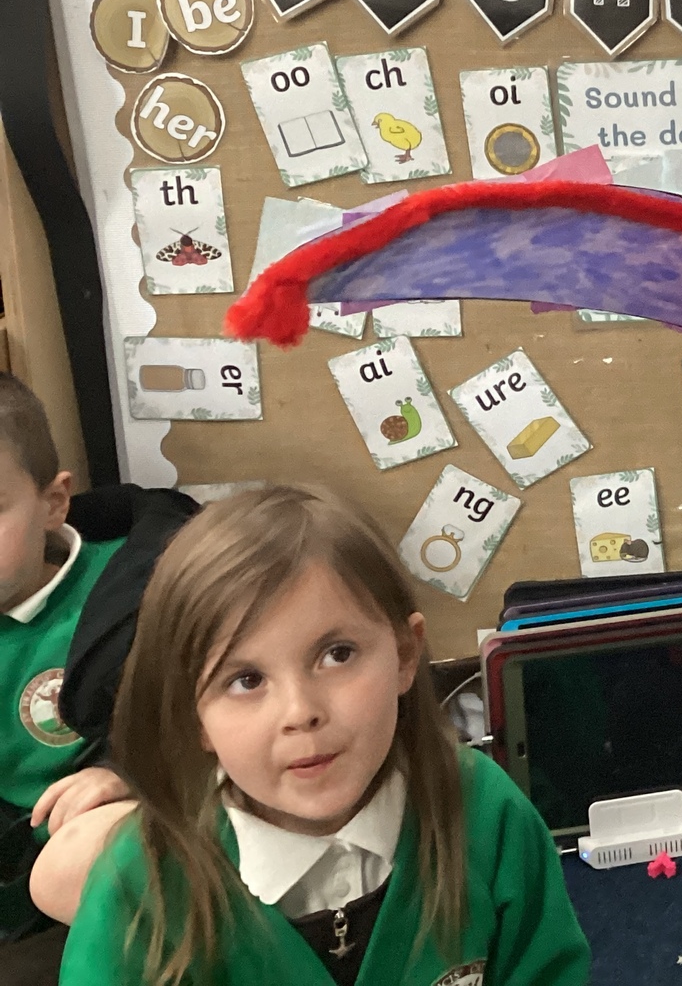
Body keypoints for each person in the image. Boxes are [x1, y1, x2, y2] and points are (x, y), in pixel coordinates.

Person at [58, 484, 590, 985]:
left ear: (405, 654)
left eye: (337, 655)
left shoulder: (486, 813)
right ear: (195, 718)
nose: (300, 712)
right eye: (246, 680)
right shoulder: (138, 885)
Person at [0, 375, 195, 980]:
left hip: (143, 839)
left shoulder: (145, 585)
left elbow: (216, 711)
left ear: (53, 503)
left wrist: (126, 773)